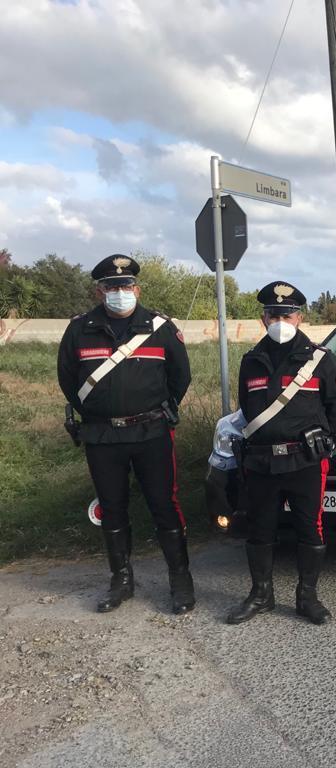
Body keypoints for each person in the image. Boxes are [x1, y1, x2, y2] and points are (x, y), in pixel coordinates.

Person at [57, 254, 194, 614]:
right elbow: (68, 381)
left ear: (137, 288)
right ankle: (121, 580)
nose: (120, 291)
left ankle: (180, 580)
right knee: (112, 508)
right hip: (102, 436)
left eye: (126, 285)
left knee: (164, 506)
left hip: (151, 432)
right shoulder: (79, 329)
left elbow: (180, 377)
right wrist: (99, 411)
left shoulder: (161, 327)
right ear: (100, 291)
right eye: (112, 286)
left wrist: (158, 408)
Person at [227, 281, 336, 625]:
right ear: (263, 319)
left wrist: (313, 435)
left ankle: (307, 598)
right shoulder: (251, 361)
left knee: (309, 529)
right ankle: (261, 595)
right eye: (274, 313)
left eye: (288, 313)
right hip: (262, 461)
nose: (281, 319)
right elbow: (247, 409)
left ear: (300, 316)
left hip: (304, 461)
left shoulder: (321, 360)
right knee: (259, 529)